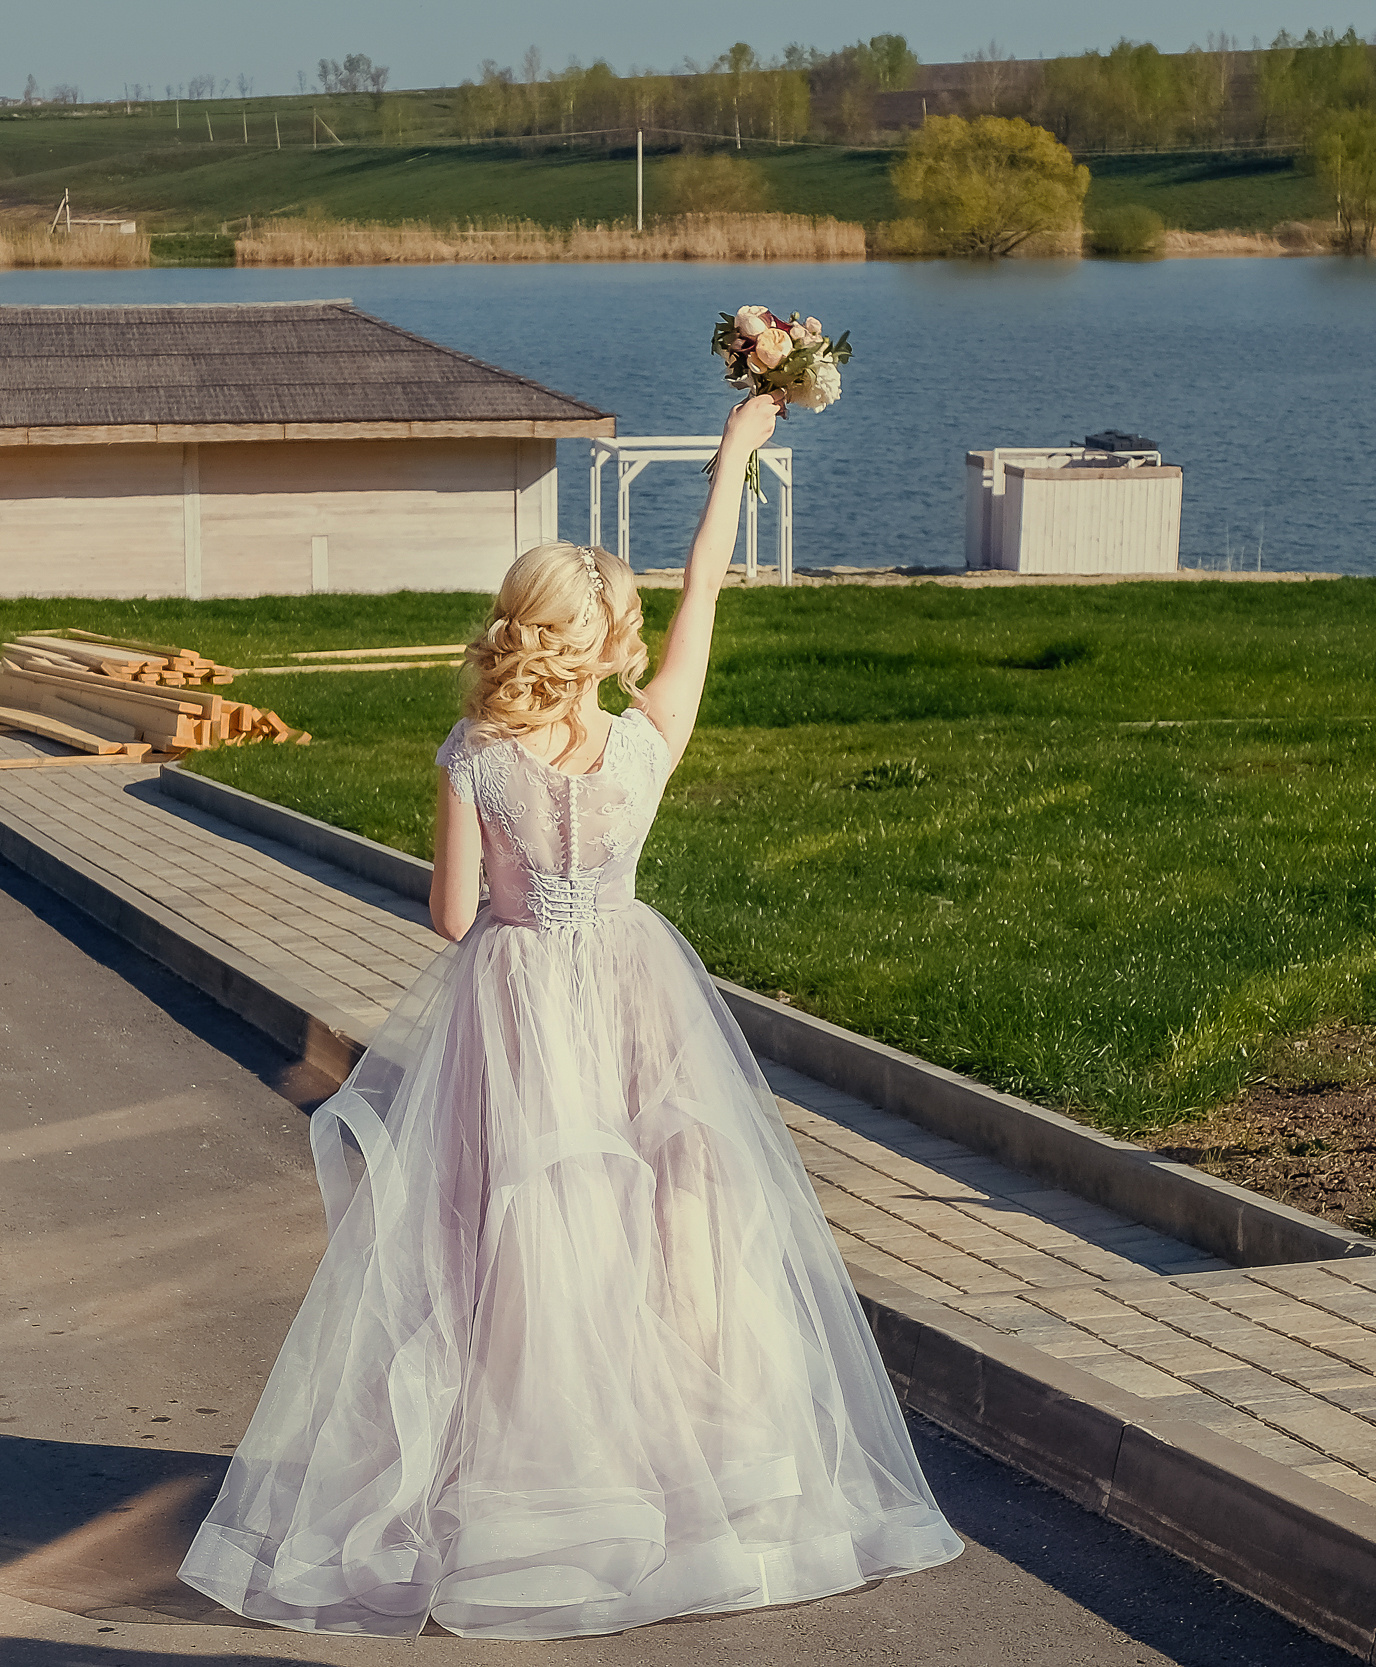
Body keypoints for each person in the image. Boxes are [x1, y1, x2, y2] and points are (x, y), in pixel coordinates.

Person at [180, 395, 964, 1639]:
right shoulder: (651, 737)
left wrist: (518, 903)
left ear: (526, 633)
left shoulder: (473, 752)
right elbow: (707, 584)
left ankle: (532, 1485)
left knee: (513, 1239)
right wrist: (734, 455)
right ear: (607, 643)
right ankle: (684, 1478)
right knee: (671, 1228)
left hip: (521, 999)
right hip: (640, 992)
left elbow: (451, 914)